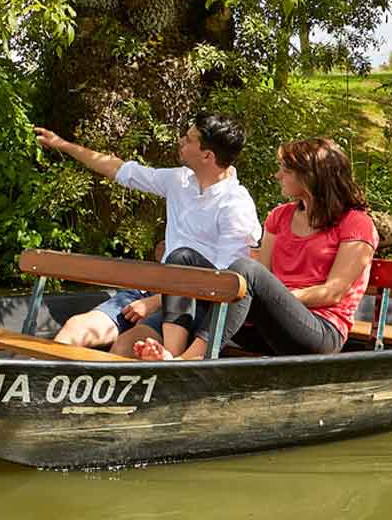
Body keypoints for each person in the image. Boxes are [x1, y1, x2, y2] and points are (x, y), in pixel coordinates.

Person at [32, 114, 261, 357]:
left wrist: (156, 302)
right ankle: (37, 387)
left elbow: (225, 282)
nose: (180, 140)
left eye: (189, 139)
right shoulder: (179, 180)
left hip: (191, 305)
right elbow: (119, 170)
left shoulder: (236, 205)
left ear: (207, 155)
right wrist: (62, 144)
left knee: (125, 346)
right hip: (151, 290)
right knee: (75, 328)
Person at [136, 137, 377, 360]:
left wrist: (276, 300)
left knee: (244, 271)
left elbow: (332, 293)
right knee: (182, 258)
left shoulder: (356, 224)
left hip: (319, 332)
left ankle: (192, 360)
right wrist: (266, 301)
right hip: (263, 327)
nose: (277, 175)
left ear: (311, 176)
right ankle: (172, 354)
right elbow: (263, 274)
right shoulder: (280, 217)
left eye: (286, 170)